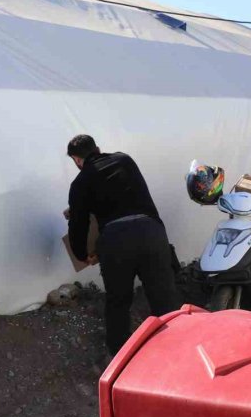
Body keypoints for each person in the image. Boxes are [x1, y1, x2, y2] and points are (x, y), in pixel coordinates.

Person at [65, 135, 180, 356]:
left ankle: (120, 359)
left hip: (116, 241)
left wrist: (82, 254)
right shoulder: (124, 160)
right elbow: (130, 194)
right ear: (98, 149)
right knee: (165, 298)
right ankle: (178, 350)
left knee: (118, 302)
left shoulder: (80, 183)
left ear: (77, 160)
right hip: (151, 232)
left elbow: (78, 224)